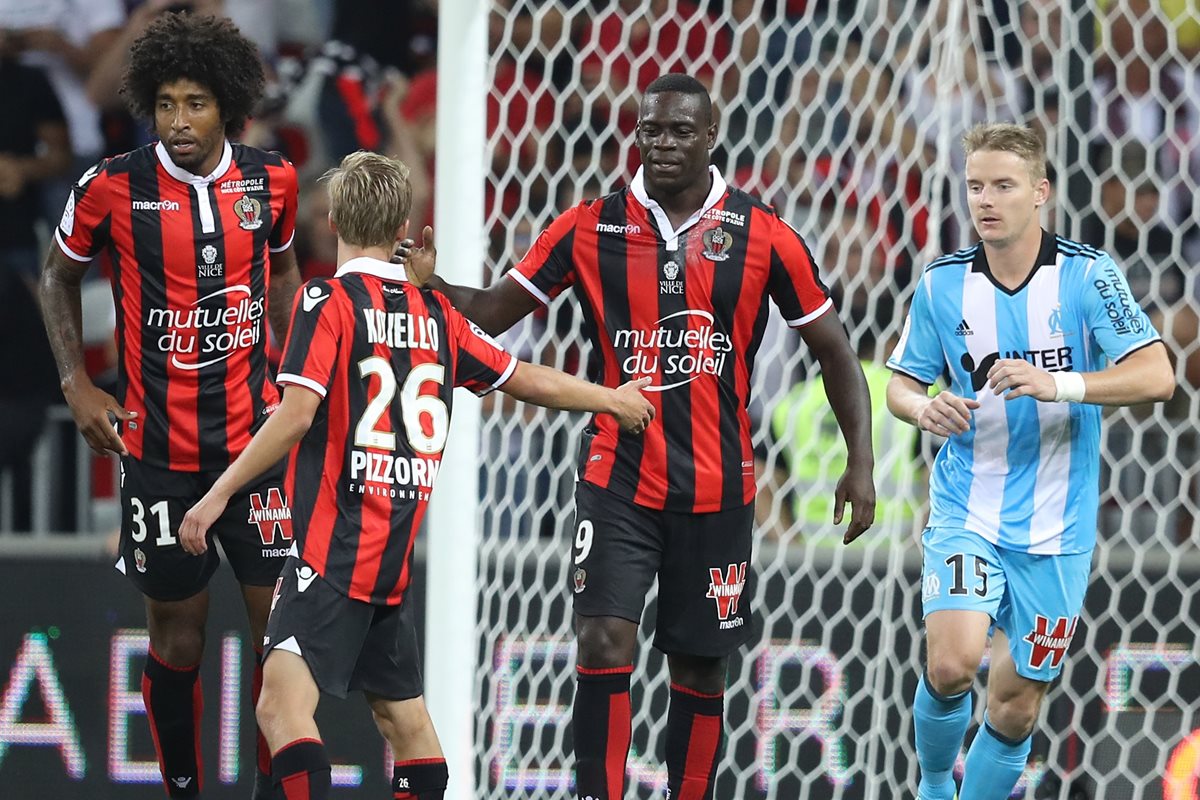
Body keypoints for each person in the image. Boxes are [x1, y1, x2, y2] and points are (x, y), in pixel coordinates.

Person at [406, 73, 876, 800]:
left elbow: (835, 350)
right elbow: (494, 312)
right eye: (650, 130)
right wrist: (430, 287)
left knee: (696, 665)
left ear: (711, 136)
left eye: (679, 132)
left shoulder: (763, 232)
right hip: (617, 478)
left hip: (720, 488)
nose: (661, 145)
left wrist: (860, 463)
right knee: (602, 642)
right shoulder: (589, 224)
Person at [175, 150, 654, 800]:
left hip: (331, 550)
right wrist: (611, 397)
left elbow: (292, 418)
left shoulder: (329, 299)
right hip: (389, 560)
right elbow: (525, 378)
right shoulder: (436, 316)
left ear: (334, 217)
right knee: (408, 728)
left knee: (279, 709)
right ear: (404, 224)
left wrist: (217, 493)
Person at [38, 12, 302, 799]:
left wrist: (298, 376)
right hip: (158, 456)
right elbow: (56, 276)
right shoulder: (112, 186)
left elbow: (283, 276)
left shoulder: (272, 180)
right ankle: (182, 787)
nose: (179, 121)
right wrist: (75, 382)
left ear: (227, 104)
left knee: (279, 639)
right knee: (179, 641)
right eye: (165, 104)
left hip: (256, 453)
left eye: (195, 103)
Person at [885, 123, 1175, 800]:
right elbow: (902, 382)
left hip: (1057, 529)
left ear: (1040, 193)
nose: (986, 200)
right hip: (969, 506)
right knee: (954, 663)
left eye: (1004, 186)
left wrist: (1062, 383)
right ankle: (932, 783)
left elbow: (1157, 374)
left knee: (1014, 704)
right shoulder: (941, 286)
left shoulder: (1087, 276)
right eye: (976, 186)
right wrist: (922, 409)